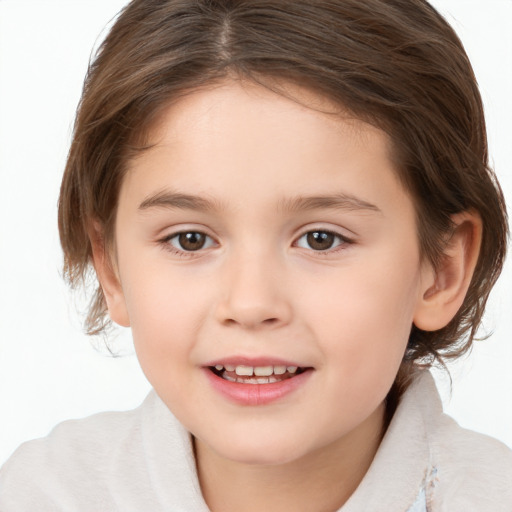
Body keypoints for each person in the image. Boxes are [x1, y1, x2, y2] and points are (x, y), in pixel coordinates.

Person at [1, 0, 511, 510]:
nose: (250, 303)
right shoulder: (40, 494)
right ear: (110, 268)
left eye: (321, 239)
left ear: (443, 268)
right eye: (190, 239)